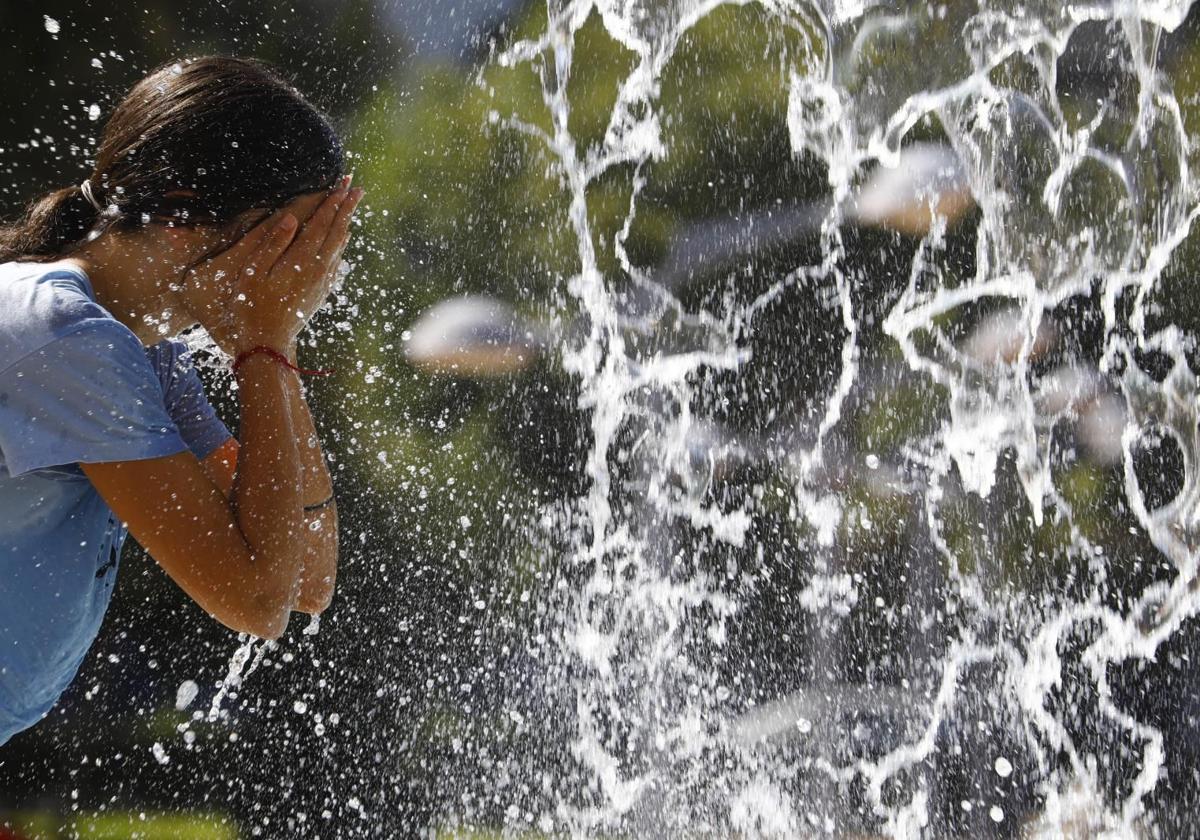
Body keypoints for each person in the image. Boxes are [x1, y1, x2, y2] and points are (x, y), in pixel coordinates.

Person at [0, 56, 364, 746]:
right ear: (183, 214)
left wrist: (270, 346)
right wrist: (265, 340)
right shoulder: (64, 335)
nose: (312, 275)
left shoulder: (142, 349)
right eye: (290, 241)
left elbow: (305, 579)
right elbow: (254, 599)